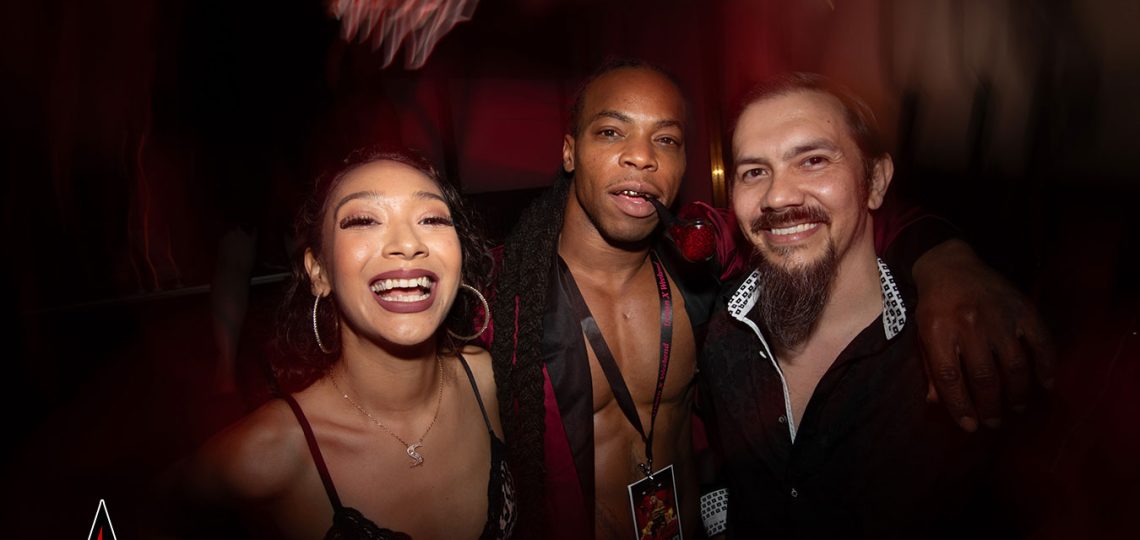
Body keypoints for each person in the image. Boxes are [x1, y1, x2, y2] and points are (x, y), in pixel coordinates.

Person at [488, 59, 1051, 540]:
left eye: (667, 139)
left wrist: (946, 262)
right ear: (569, 151)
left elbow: (825, 224)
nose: (641, 156)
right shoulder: (496, 297)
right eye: (612, 132)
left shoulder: (700, 257)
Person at [700, 73, 1014, 537]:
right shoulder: (719, 333)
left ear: (875, 181)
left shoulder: (954, 350)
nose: (778, 196)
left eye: (813, 161)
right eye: (754, 172)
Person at [162, 149, 515, 539]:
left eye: (431, 219)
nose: (407, 244)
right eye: (364, 220)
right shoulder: (271, 452)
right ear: (319, 272)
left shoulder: (494, 382)